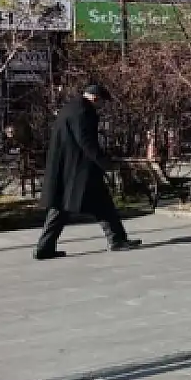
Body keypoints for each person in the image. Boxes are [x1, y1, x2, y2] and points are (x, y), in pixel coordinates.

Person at [35, 82, 140, 259]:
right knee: (102, 204)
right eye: (102, 103)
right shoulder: (84, 112)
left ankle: (44, 247)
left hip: (66, 167)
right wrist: (105, 162)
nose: (102, 107)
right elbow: (87, 142)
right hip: (80, 170)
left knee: (61, 207)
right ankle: (117, 240)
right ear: (95, 98)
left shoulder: (70, 108)